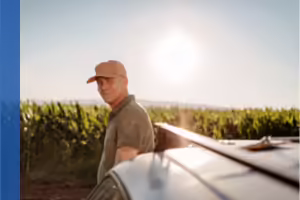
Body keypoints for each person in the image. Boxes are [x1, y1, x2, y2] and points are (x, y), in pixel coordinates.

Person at [87, 60, 155, 184]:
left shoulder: (130, 115)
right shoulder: (121, 113)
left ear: (125, 82)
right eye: (100, 82)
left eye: (110, 81)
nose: (103, 87)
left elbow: (123, 175)